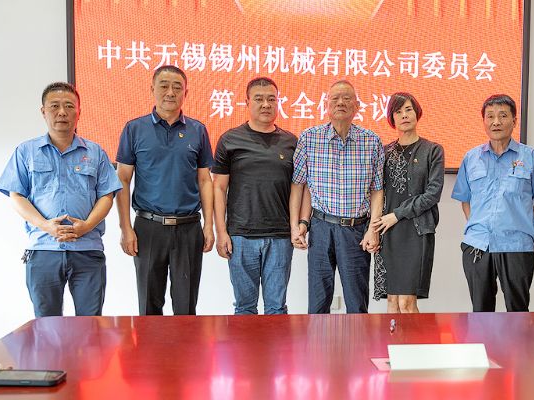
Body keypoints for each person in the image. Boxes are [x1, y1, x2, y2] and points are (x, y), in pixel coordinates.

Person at [0, 82, 122, 317]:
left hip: (87, 250)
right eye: (54, 106)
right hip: (44, 249)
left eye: (69, 106)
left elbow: (106, 195)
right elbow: (16, 195)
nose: (62, 112)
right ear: (43, 111)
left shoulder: (95, 152)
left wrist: (86, 226)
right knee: (46, 325)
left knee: (90, 324)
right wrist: (46, 225)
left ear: (79, 112)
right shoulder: (26, 151)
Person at [116, 65, 214, 316]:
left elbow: (205, 180)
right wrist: (126, 228)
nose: (170, 92)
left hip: (188, 227)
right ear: (152, 89)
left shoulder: (198, 130)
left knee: (186, 307)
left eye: (177, 87)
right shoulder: (134, 129)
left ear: (185, 93)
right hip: (148, 228)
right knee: (149, 307)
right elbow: (123, 179)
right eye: (164, 86)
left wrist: (208, 226)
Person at [452, 94, 534, 312]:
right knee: (480, 312)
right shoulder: (471, 158)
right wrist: (479, 224)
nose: (496, 122)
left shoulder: (531, 157)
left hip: (516, 246)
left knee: (518, 312)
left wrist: (522, 219)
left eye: (502, 116)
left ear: (514, 121)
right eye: (490, 116)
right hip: (477, 246)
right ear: (484, 121)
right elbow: (466, 201)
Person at [289, 80, 384, 314]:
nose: (341, 102)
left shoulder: (371, 141)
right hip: (321, 228)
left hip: (356, 230)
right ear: (327, 105)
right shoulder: (309, 138)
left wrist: (373, 229)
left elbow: (377, 190)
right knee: (318, 303)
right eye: (335, 98)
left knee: (357, 304)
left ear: (357, 106)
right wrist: (296, 226)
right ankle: (317, 340)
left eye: (347, 98)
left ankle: (359, 341)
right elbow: (298, 185)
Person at [212, 77, 299, 315]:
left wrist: (298, 226)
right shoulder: (230, 140)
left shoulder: (291, 142)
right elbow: (218, 188)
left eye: (271, 99)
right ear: (247, 102)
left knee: (276, 308)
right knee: (244, 308)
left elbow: (298, 189)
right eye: (259, 99)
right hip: (241, 236)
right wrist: (221, 232)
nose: (266, 104)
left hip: (280, 237)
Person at [371, 92, 445, 313]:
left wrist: (397, 214)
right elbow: (376, 192)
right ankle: (392, 338)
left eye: (408, 109)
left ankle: (414, 338)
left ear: (417, 113)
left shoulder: (433, 150)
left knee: (407, 302)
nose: (404, 115)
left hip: (416, 231)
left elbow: (432, 194)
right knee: (392, 301)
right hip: (387, 231)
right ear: (392, 118)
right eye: (398, 111)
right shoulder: (384, 152)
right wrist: (372, 229)